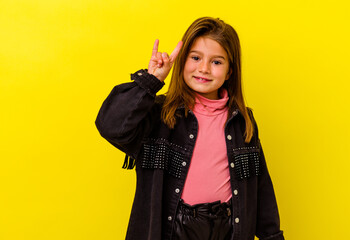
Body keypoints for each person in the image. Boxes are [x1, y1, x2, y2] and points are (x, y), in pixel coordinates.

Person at [95, 16, 284, 240]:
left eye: (216, 62)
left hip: (227, 230)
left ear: (230, 71)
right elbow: (111, 126)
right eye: (195, 58)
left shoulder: (241, 120)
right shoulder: (159, 114)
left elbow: (260, 187)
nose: (204, 69)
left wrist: (272, 235)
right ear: (183, 61)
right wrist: (151, 81)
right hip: (172, 230)